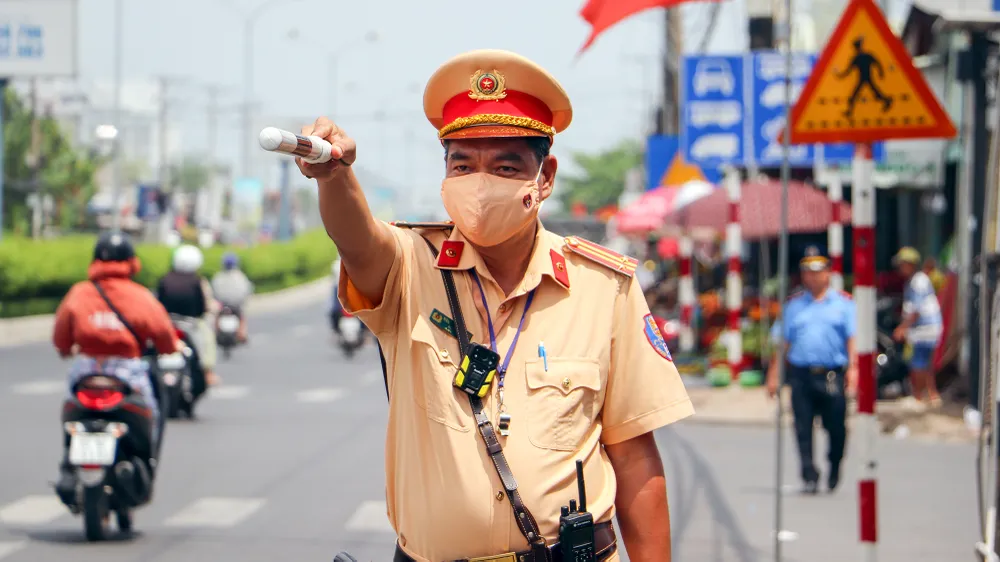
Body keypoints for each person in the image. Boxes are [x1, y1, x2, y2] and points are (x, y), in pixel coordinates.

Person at [297, 49, 693, 562]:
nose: (481, 184)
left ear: (544, 177)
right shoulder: (410, 267)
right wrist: (334, 176)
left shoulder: (603, 288)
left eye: (505, 167)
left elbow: (636, 459)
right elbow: (357, 242)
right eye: (463, 164)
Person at [52, 232, 180, 498]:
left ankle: (68, 462)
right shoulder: (141, 296)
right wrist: (168, 349)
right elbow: (165, 336)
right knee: (152, 415)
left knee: (69, 418)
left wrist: (66, 349)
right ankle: (145, 464)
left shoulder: (79, 293)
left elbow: (61, 337)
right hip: (128, 372)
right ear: (131, 262)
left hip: (85, 371)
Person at [766, 246, 857, 494]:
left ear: (828, 273)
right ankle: (809, 473)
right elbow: (782, 343)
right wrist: (773, 376)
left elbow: (852, 339)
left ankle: (834, 465)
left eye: (818, 272)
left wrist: (854, 369)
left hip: (831, 375)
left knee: (837, 427)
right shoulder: (793, 306)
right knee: (802, 428)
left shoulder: (844, 304)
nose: (813, 277)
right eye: (808, 272)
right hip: (802, 376)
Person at [157, 244, 220, 386]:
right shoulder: (197, 281)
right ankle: (208, 373)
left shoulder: (165, 279)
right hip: (191, 324)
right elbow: (203, 306)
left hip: (168, 323)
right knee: (207, 339)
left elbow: (158, 303)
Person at [893, 246, 943, 408]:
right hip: (925, 329)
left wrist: (902, 328)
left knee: (917, 362)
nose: (900, 269)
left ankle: (918, 397)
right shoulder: (915, 280)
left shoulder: (918, 281)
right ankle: (932, 395)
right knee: (924, 363)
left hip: (925, 329)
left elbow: (916, 310)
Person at [211, 252, 253, 342]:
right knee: (241, 316)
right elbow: (247, 290)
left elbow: (214, 290)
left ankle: (216, 332)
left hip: (223, 305)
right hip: (235, 305)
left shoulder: (218, 276)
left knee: (217, 316)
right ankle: (242, 334)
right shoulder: (240, 276)